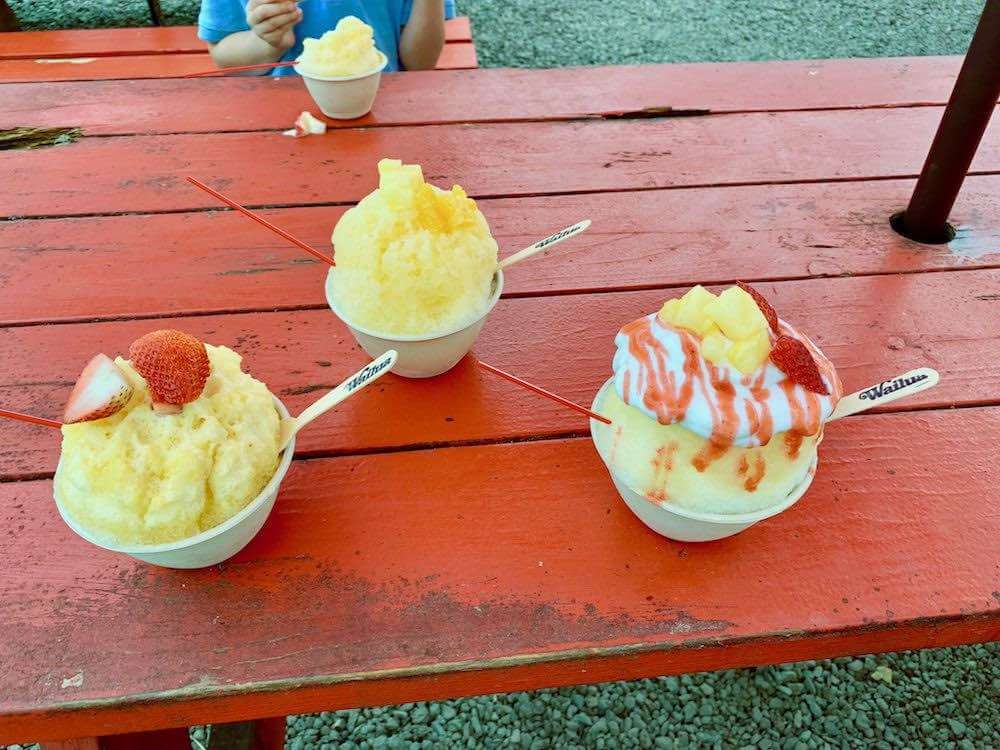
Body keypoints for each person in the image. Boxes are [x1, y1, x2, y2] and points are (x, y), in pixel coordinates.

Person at [199, 0, 455, 74]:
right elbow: (223, 56)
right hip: (277, 118)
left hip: (383, 111)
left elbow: (421, 63)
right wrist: (266, 43)